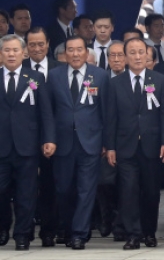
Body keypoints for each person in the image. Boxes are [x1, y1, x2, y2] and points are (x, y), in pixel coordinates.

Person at [104, 38, 164, 250]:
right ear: (125, 57)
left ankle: (149, 233)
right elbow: (110, 118)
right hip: (125, 147)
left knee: (151, 192)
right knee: (128, 191)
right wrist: (111, 147)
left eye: (140, 52)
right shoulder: (115, 83)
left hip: (152, 147)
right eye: (131, 53)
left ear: (147, 55)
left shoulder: (159, 80)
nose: (136, 56)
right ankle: (133, 234)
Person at [47, 35, 109, 249]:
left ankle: (79, 234)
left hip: (90, 142)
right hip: (62, 143)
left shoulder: (100, 76)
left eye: (79, 49)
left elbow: (106, 112)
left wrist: (106, 142)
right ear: (65, 54)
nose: (75, 54)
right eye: (70, 50)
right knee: (64, 190)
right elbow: (49, 111)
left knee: (86, 190)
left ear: (85, 52)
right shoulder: (54, 76)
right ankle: (66, 228)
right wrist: (49, 138)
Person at [0, 34, 56, 250]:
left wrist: (49, 139)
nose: (11, 54)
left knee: (26, 193)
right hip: (2, 146)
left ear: (23, 53)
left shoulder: (34, 78)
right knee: (2, 191)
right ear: (1, 53)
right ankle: (4, 225)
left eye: (15, 50)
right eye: (7, 50)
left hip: (28, 146)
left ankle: (23, 235)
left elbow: (46, 113)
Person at [21, 27, 62, 245]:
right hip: (24, 140)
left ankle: (49, 231)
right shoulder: (20, 68)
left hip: (54, 139)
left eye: (40, 44)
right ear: (26, 47)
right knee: (24, 188)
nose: (37, 48)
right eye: (32, 44)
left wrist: (52, 137)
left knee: (50, 187)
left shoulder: (59, 69)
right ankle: (25, 231)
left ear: (48, 45)